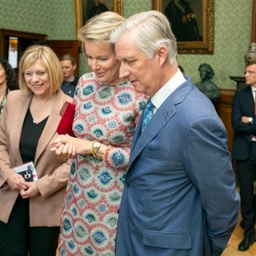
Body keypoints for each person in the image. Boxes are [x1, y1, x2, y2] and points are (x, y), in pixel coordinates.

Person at [110, 10, 240, 256]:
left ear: (161, 54)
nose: (122, 73)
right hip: (138, 240)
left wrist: (204, 248)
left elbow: (222, 203)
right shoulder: (155, 98)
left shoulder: (196, 119)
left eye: (130, 61)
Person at [49, 12, 148, 256]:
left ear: (121, 52)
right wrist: (67, 146)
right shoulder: (84, 83)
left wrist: (91, 148)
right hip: (78, 197)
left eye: (103, 58)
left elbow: (144, 159)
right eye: (88, 56)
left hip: (116, 203)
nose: (94, 66)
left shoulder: (140, 90)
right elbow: (73, 133)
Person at [0, 45, 72, 256]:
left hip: (46, 201)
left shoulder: (71, 107)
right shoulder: (14, 99)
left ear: (53, 72)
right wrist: (8, 174)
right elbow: (1, 144)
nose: (34, 79)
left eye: (41, 73)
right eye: (28, 73)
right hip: (11, 196)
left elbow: (73, 162)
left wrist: (41, 185)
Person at [232, 60, 256, 251]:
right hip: (244, 153)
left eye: (250, 72)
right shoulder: (240, 96)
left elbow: (244, 124)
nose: (245, 75)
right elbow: (236, 125)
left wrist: (250, 120)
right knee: (246, 195)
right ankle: (249, 233)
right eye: (246, 71)